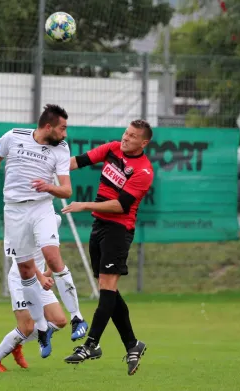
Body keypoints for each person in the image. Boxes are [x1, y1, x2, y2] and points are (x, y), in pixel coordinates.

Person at [0, 104, 88, 358]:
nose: (65, 133)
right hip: (14, 211)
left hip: (41, 208)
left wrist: (48, 187)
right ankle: (41, 328)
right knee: (25, 270)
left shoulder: (60, 148)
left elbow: (67, 191)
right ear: (48, 127)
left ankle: (77, 318)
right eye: (62, 128)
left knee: (52, 256)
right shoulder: (13, 136)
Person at [61, 119, 154, 376]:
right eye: (126, 133)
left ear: (143, 143)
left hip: (118, 230)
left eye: (133, 136)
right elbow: (77, 161)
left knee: (107, 289)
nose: (126, 138)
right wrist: (47, 167)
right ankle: (133, 344)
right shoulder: (112, 148)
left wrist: (85, 205)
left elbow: (121, 206)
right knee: (108, 291)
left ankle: (91, 344)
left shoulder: (144, 171)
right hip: (99, 227)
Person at [0, 214, 68, 372]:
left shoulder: (54, 219)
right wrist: (41, 276)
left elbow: (53, 249)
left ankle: (17, 342)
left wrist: (52, 270)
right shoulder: (23, 224)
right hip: (20, 279)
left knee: (59, 320)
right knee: (26, 327)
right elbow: (24, 259)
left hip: (38, 278)